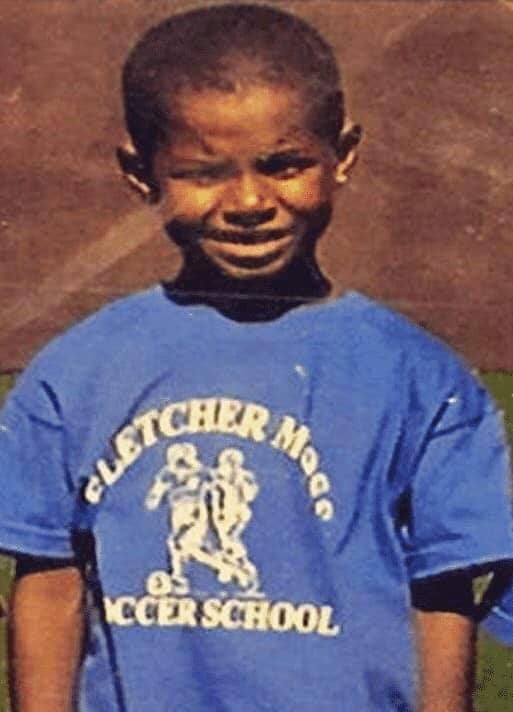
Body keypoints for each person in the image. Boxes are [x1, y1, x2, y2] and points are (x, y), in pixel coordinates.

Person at [0, 4, 512, 711]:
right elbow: (50, 582)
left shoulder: (422, 380)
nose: (248, 201)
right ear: (140, 172)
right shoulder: (76, 372)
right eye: (202, 171)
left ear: (343, 157)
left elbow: (442, 594)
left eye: (284, 165)